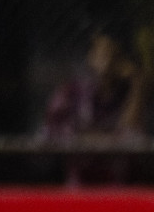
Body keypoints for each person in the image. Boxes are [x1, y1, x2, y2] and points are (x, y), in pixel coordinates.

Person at [43, 27, 149, 186]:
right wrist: (109, 141)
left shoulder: (128, 95)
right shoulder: (72, 92)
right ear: (90, 56)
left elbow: (132, 136)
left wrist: (137, 83)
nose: (107, 60)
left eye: (114, 54)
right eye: (102, 52)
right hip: (80, 185)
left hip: (119, 187)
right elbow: (57, 134)